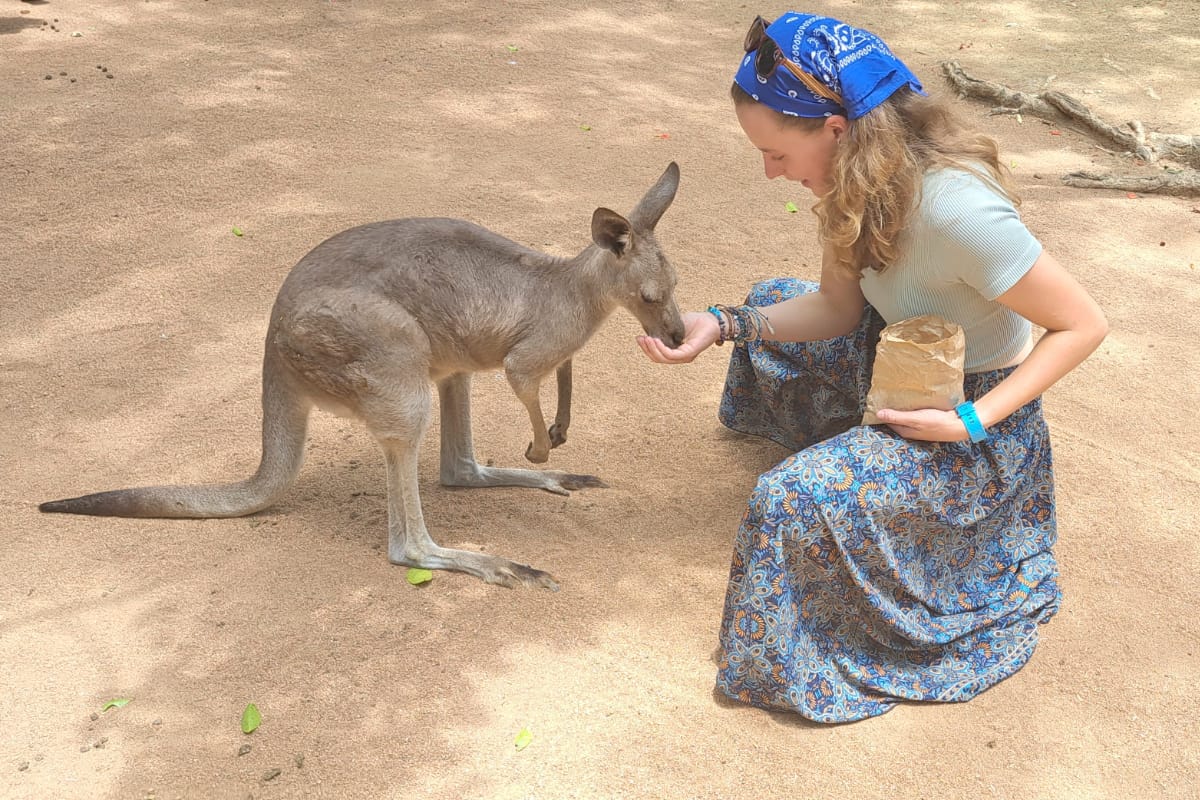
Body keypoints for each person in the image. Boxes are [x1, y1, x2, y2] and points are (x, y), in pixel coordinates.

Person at [638, 12, 1108, 723]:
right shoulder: (854, 185)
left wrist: (971, 420)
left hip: (965, 416)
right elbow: (837, 308)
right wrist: (722, 324)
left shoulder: (957, 210)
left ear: (835, 130)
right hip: (890, 353)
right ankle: (852, 454)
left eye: (775, 153)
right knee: (764, 304)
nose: (770, 173)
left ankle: (814, 643)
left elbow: (1082, 324)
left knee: (786, 497)